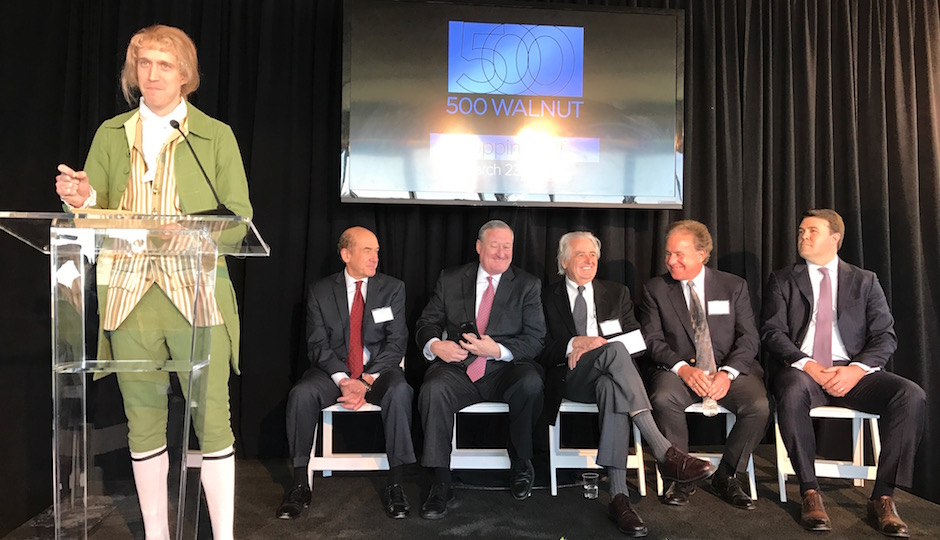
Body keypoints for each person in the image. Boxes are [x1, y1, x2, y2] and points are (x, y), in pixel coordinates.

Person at [53, 25, 252, 540]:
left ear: (185, 74)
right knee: (142, 423)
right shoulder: (110, 134)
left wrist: (191, 232)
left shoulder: (215, 135)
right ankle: (156, 536)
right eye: (144, 63)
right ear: (132, 72)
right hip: (127, 295)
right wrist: (81, 199)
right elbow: (89, 216)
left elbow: (239, 219)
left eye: (165, 64)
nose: (153, 74)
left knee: (212, 424)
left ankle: (224, 535)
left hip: (196, 295)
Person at [761, 209, 925, 536]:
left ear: (835, 238)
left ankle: (883, 496)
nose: (803, 236)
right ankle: (809, 490)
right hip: (804, 370)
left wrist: (856, 370)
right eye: (801, 231)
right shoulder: (783, 279)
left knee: (911, 395)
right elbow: (771, 332)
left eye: (812, 231)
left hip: (852, 372)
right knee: (791, 391)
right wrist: (806, 364)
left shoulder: (865, 281)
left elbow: (885, 336)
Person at [540, 231, 716, 537]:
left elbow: (638, 340)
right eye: (581, 254)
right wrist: (574, 342)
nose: (589, 261)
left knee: (613, 383)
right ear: (564, 261)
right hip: (571, 377)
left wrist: (599, 344)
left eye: (593, 255)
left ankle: (619, 499)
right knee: (616, 354)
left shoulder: (616, 292)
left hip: (610, 375)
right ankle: (664, 451)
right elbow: (539, 347)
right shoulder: (546, 297)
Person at [277, 226, 415, 520]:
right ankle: (300, 483)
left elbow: (397, 343)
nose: (375, 257)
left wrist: (365, 381)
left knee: (401, 391)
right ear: (345, 254)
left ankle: (396, 484)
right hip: (333, 372)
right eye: (368, 250)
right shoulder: (320, 290)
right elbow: (316, 344)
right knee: (301, 394)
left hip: (378, 373)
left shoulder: (393, 288)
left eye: (377, 250)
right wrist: (343, 380)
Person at [415, 220, 545, 519]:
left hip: (503, 369)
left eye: (507, 247)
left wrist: (496, 350)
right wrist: (436, 345)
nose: (501, 253)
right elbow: (426, 323)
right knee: (433, 389)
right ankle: (440, 480)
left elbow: (536, 338)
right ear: (478, 247)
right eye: (494, 245)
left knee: (530, 383)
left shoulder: (527, 284)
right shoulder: (450, 279)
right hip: (458, 369)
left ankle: (522, 462)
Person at [639, 220, 769, 510]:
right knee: (662, 397)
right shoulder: (656, 289)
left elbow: (749, 338)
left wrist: (727, 373)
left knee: (758, 406)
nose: (671, 260)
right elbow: (653, 339)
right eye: (668, 254)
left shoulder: (733, 286)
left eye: (679, 254)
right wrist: (682, 368)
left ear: (702, 254)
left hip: (729, 371)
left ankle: (727, 475)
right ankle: (680, 476)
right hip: (678, 370)